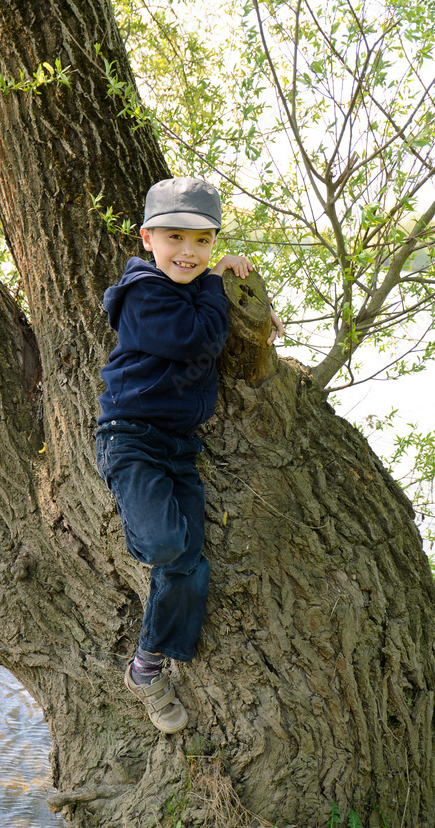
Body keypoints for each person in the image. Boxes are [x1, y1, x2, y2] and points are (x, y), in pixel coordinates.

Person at [96, 176, 282, 734]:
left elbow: (218, 337)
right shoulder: (144, 293)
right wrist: (217, 283)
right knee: (163, 543)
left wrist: (250, 321)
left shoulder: (193, 289)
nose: (189, 252)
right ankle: (139, 528)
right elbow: (196, 340)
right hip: (131, 438)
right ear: (148, 239)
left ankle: (147, 666)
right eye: (175, 237)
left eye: (203, 242)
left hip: (179, 448)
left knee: (189, 563)